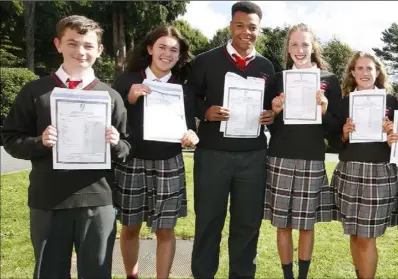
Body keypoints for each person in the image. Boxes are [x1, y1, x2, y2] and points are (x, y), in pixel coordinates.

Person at [1, 15, 131, 278]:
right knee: (49, 272)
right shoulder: (35, 92)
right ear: (58, 44)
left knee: (96, 272)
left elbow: (127, 148)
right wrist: (40, 142)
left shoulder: (111, 96)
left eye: (88, 45)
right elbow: (11, 139)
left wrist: (117, 143)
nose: (80, 52)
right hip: (49, 200)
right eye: (72, 44)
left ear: (100, 50)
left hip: (98, 201)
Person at [188, 2, 275, 278]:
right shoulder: (206, 61)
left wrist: (271, 115)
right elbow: (188, 99)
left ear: (258, 31)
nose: (246, 32)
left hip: (253, 156)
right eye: (240, 26)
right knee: (208, 223)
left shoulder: (266, 67)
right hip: (213, 155)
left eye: (252, 27)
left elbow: (271, 106)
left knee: (247, 225)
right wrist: (205, 112)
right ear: (230, 26)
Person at [112, 25, 198, 279]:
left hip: (169, 163)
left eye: (174, 50)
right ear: (150, 49)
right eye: (162, 47)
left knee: (166, 229)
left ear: (180, 55)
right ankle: (132, 275)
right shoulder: (127, 80)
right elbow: (109, 123)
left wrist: (191, 135)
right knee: (130, 227)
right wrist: (127, 100)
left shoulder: (183, 88)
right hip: (132, 162)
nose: (167, 54)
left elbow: (189, 127)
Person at [263, 23, 342, 279]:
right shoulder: (278, 79)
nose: (300, 49)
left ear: (313, 46)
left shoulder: (329, 80)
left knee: (306, 225)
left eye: (305, 44)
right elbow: (268, 124)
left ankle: (303, 276)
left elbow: (336, 127)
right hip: (280, 158)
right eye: (294, 44)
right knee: (283, 224)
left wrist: (324, 110)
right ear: (288, 47)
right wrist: (274, 111)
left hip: (312, 158)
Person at [330, 51, 398, 279]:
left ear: (377, 72)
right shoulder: (343, 103)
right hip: (348, 172)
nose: (364, 72)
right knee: (354, 234)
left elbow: (397, 148)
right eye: (359, 68)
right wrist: (343, 134)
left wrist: (392, 138)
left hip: (379, 174)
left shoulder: (392, 102)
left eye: (369, 68)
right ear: (352, 72)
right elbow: (333, 144)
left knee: (366, 237)